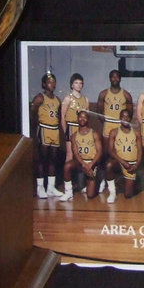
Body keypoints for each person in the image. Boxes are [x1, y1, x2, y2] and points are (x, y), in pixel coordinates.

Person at [30, 71, 66, 200]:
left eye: (54, 82)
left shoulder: (57, 99)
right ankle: (40, 187)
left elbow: (59, 117)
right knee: (42, 159)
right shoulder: (40, 97)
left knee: (53, 159)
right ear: (44, 84)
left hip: (54, 130)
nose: (52, 84)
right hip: (44, 129)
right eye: (50, 82)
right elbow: (32, 114)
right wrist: (36, 127)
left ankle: (51, 187)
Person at [104, 106, 143, 203]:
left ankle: (125, 182)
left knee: (128, 195)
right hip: (119, 162)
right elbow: (110, 150)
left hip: (131, 164)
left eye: (127, 117)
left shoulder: (136, 133)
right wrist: (122, 162)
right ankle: (112, 192)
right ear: (120, 118)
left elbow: (140, 151)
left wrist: (136, 165)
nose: (125, 119)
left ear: (130, 118)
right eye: (123, 116)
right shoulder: (114, 132)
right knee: (109, 165)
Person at [62, 110, 103, 201]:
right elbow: (75, 153)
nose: (82, 119)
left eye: (84, 117)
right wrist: (84, 164)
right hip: (81, 163)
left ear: (88, 119)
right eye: (80, 117)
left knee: (90, 195)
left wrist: (91, 164)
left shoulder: (94, 134)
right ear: (77, 118)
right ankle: (68, 192)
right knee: (67, 166)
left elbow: (99, 152)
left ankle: (97, 180)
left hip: (92, 162)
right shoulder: (74, 136)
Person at [97, 69, 133, 141]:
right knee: (107, 149)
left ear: (120, 79)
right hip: (108, 124)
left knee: (119, 146)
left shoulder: (126, 95)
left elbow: (130, 112)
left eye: (117, 77)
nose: (115, 79)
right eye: (113, 77)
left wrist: (124, 122)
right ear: (110, 78)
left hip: (120, 124)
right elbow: (99, 111)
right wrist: (105, 122)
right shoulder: (103, 94)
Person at [61, 72, 92, 140]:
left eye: (80, 83)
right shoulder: (68, 98)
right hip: (71, 126)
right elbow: (62, 116)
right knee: (70, 150)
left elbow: (88, 117)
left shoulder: (85, 99)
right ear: (72, 85)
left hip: (82, 127)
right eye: (76, 83)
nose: (79, 85)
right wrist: (65, 131)